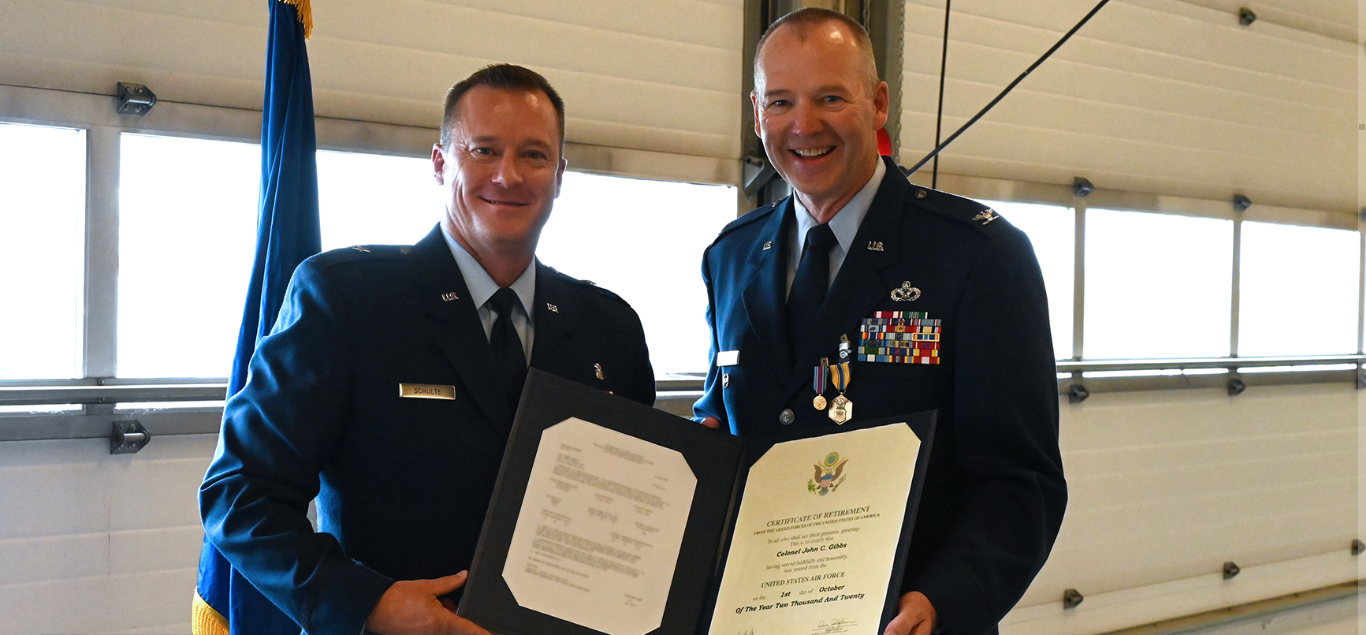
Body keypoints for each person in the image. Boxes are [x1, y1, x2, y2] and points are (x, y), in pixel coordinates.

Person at [200, 64, 655, 635]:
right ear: (441, 164)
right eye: (484, 151)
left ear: (560, 174)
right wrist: (365, 604)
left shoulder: (608, 327)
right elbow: (240, 493)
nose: (509, 176)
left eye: (534, 155)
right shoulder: (348, 299)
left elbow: (632, 511)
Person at [693, 9, 1067, 635]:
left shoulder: (977, 255)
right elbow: (722, 417)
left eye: (830, 98)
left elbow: (1019, 481)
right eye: (780, 101)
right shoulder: (730, 256)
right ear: (757, 112)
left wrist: (942, 599)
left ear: (877, 103)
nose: (804, 125)